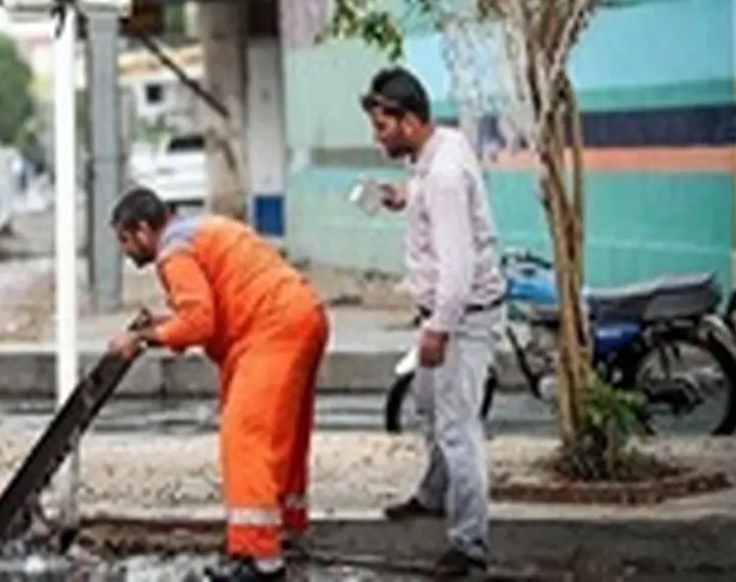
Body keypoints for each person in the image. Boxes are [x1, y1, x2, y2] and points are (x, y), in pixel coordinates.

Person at [106, 187, 329, 582]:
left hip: (271, 329)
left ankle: (261, 559)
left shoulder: (173, 254)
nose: (126, 252)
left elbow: (198, 322)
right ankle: (284, 529)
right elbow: (212, 305)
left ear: (142, 230)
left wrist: (141, 339)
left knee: (245, 437)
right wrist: (159, 326)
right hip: (298, 316)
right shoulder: (197, 232)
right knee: (283, 440)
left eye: (124, 240)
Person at [360, 67, 506, 579]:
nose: (377, 136)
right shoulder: (437, 150)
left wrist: (439, 328)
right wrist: (406, 199)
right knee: (425, 401)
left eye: (382, 127)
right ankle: (432, 493)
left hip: (461, 318)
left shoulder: (442, 176)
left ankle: (469, 544)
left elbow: (458, 264)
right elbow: (440, 209)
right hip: (446, 314)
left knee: (458, 427)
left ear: (409, 121)